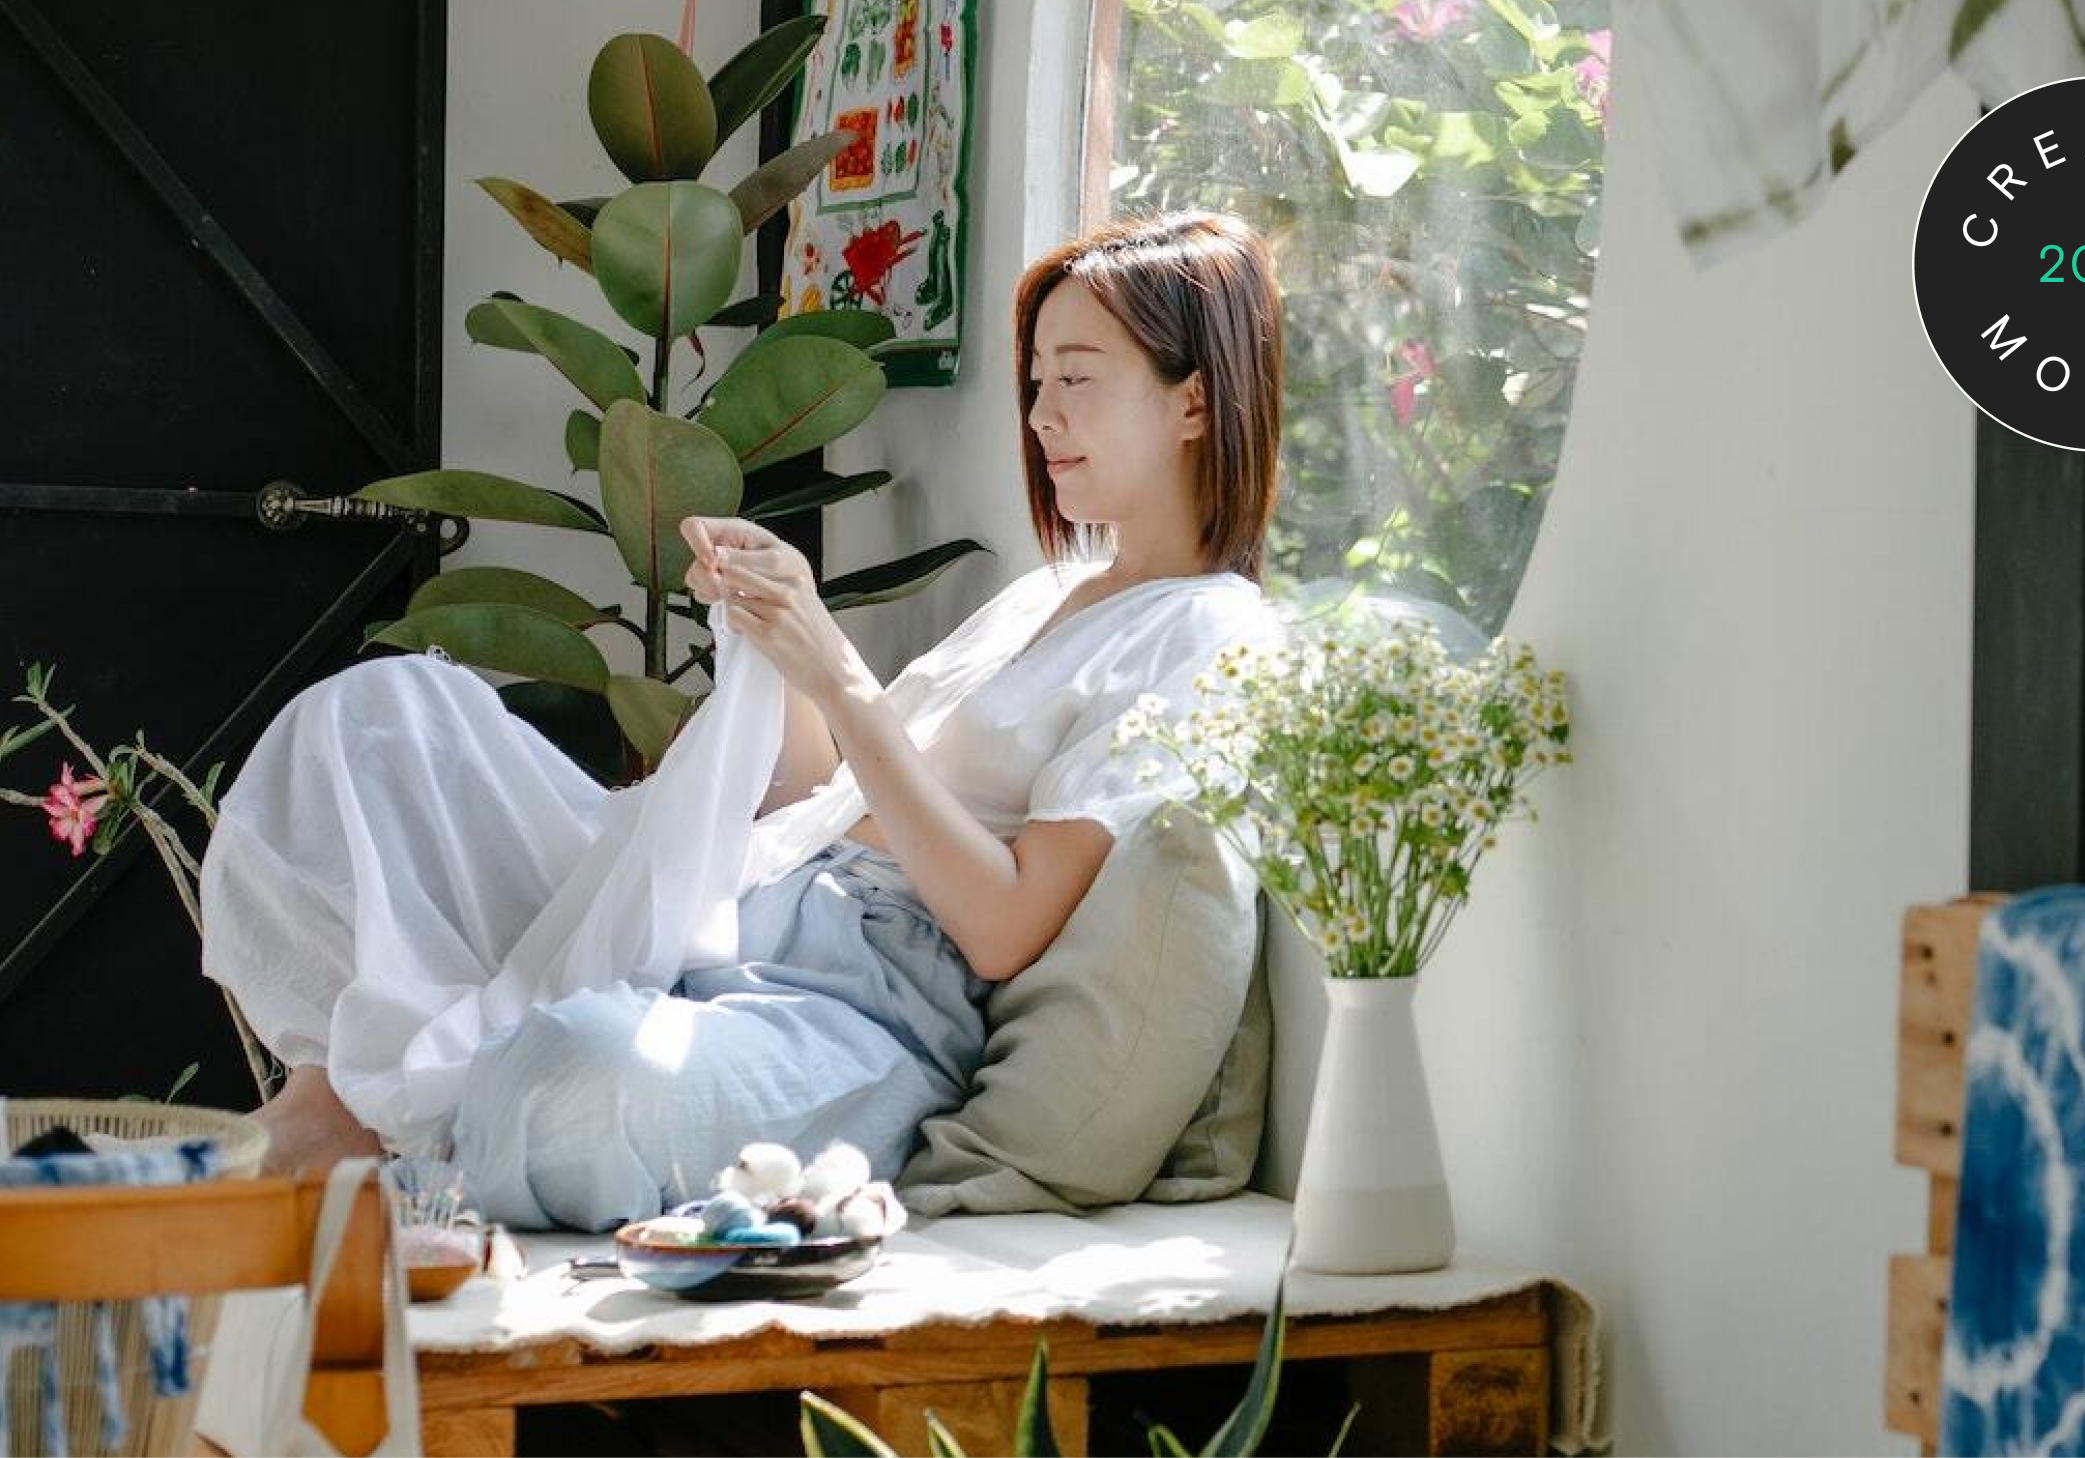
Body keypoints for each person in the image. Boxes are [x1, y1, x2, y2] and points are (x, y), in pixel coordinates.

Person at [196, 209, 1287, 1230]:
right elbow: (816, 795)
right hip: (734, 904)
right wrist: (778, 645)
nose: (1042, 415)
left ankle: (344, 1148)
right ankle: (317, 1118)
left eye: (1079, 380)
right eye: (1038, 379)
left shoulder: (1203, 635)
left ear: (1194, 401)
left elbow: (1004, 929)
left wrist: (841, 675)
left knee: (574, 1072)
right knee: (379, 720)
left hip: (864, 1007)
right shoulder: (1052, 592)